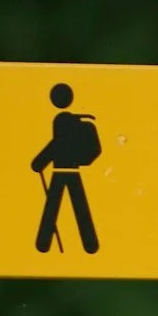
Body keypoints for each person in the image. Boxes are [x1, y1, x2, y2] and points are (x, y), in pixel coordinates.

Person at [30, 82, 101, 254]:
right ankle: (90, 245)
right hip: (73, 171)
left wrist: (39, 162)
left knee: (53, 206)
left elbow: (55, 145)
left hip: (60, 172)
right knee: (78, 206)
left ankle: (44, 244)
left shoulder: (62, 121)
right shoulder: (75, 122)